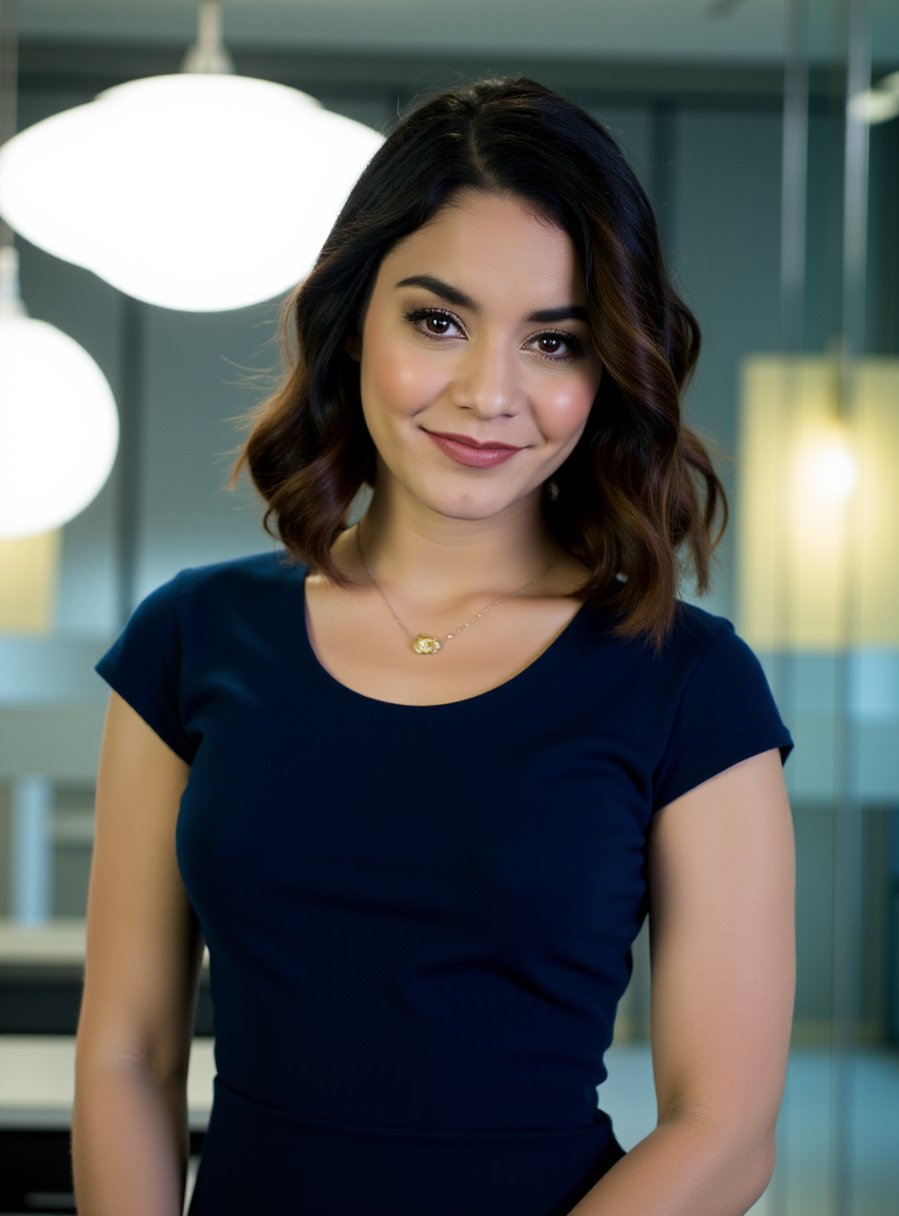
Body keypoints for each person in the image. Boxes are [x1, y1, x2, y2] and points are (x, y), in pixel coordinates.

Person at [72, 77, 795, 1216]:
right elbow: (128, 1050)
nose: (486, 392)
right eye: (438, 320)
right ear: (353, 315)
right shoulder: (192, 637)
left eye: (552, 340)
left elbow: (723, 1131)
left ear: (605, 369)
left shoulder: (688, 685)